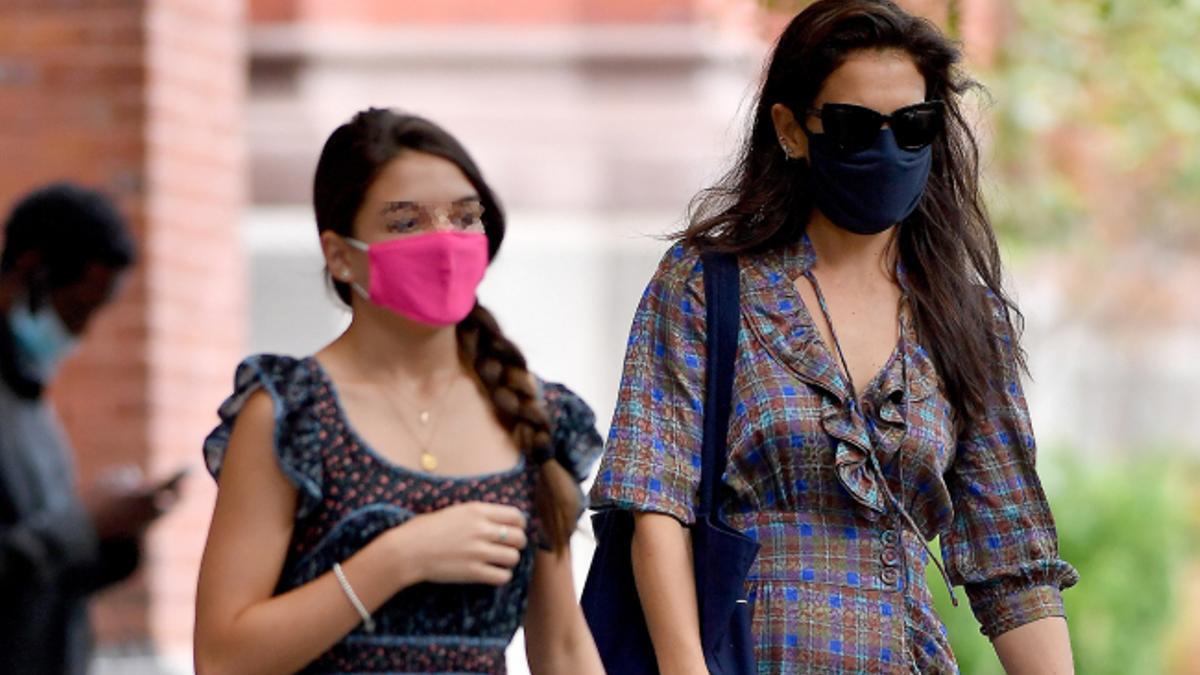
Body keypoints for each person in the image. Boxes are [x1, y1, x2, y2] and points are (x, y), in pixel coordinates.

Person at [588, 1, 1079, 673]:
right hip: (746, 651)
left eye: (912, 127)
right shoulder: (708, 284)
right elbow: (655, 498)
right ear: (791, 129)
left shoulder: (965, 318)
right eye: (853, 127)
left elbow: (1012, 558)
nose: (887, 150)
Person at [194, 108, 605, 675]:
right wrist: (397, 559)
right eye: (406, 223)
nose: (443, 241)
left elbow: (561, 646)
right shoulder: (293, 413)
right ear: (339, 255)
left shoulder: (535, 411)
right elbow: (222, 658)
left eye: (464, 218)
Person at [0, 182, 181, 675]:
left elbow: (43, 575)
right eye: (77, 310)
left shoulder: (29, 397)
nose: (80, 333)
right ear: (32, 269)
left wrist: (117, 534)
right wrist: (82, 526)